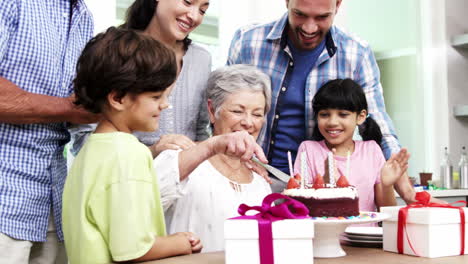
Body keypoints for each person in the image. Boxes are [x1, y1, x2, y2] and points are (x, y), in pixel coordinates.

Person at [62, 28, 267, 263]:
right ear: (118, 98)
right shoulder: (130, 153)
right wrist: (180, 242)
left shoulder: (91, 150)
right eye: (156, 97)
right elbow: (132, 249)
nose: (166, 105)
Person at [227, 0, 417, 203]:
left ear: (338, 4)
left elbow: (378, 120)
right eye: (300, 14)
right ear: (287, 2)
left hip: (313, 194)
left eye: (322, 17)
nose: (309, 27)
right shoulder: (248, 41)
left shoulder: (357, 53)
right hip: (248, 178)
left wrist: (408, 193)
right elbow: (224, 112)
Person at [0, 1, 99, 263]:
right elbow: (71, 107)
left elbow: (80, 114)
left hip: (54, 203)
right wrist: (69, 108)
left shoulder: (84, 18)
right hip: (5, 198)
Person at [69, 0, 212, 157]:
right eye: (187, 2)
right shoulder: (114, 52)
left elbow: (201, 133)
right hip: (124, 176)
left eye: (202, 11)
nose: (194, 16)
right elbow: (86, 142)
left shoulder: (201, 59)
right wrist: (151, 152)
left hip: (183, 178)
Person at [155, 64, 273, 252]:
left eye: (257, 114)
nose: (248, 123)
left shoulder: (261, 181)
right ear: (212, 110)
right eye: (237, 111)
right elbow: (143, 201)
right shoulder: (183, 160)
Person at [294, 79, 410, 212]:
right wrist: (326, 186)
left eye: (343, 115)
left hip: (366, 233)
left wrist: (387, 185)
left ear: (360, 117)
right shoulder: (308, 150)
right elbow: (300, 210)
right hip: (324, 233)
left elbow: (387, 211)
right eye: (324, 115)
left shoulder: (371, 150)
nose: (332, 122)